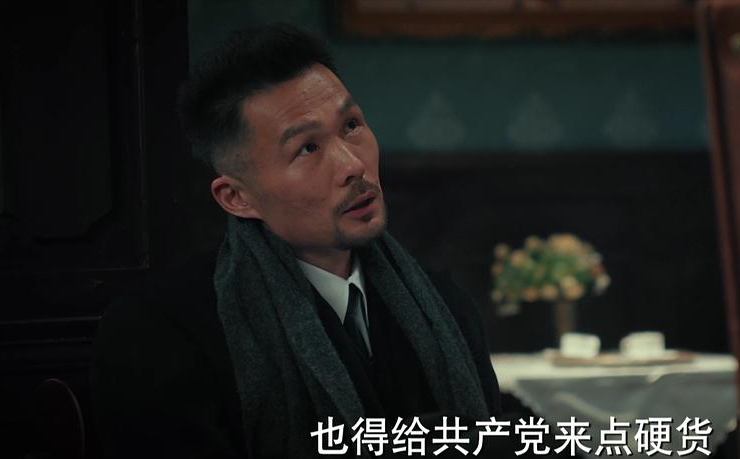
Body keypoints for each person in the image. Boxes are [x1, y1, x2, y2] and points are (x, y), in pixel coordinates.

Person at [90, 24, 533, 458]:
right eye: (307, 148)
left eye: (352, 125)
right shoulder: (158, 334)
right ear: (237, 197)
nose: (352, 165)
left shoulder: (445, 307)